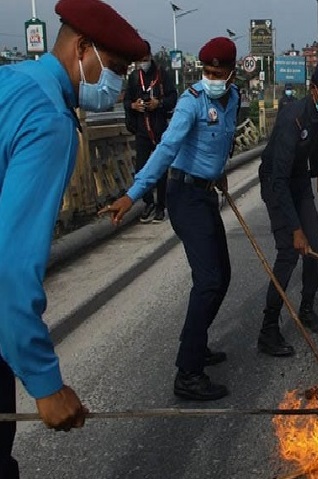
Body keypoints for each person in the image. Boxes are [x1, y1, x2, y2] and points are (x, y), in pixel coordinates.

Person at [0, 0, 146, 475]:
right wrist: (45, 383)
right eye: (117, 69)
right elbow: (11, 266)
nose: (117, 86)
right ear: (83, 48)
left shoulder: (11, 84)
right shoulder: (48, 120)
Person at [101, 37, 241, 402]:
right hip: (184, 196)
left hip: (206, 191)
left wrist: (218, 171)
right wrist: (133, 195)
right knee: (208, 280)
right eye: (206, 70)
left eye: (217, 71)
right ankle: (188, 374)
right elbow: (166, 149)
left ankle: (196, 343)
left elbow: (222, 140)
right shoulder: (190, 102)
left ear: (231, 72)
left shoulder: (235, 97)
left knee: (222, 276)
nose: (210, 76)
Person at [256, 62, 318, 356]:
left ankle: (307, 309)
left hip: (299, 179)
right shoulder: (290, 121)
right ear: (313, 89)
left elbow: (315, 145)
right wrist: (295, 229)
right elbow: (278, 181)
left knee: (315, 244)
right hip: (276, 182)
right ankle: (268, 330)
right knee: (289, 252)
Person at [123, 40, 177, 223]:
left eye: (143, 59)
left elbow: (173, 98)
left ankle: (161, 206)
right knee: (141, 168)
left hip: (159, 127)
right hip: (141, 129)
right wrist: (133, 105)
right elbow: (126, 100)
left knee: (160, 168)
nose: (141, 63)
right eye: (138, 60)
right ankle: (148, 203)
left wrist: (159, 103)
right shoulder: (133, 78)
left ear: (149, 56)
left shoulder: (162, 75)